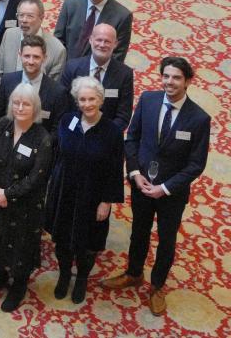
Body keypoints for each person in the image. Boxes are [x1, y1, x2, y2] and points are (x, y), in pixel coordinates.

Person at [102, 57, 211, 316]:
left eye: (176, 78)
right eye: (166, 76)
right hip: (142, 184)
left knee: (166, 240)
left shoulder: (198, 119)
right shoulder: (148, 100)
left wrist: (166, 188)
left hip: (171, 194)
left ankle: (158, 286)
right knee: (138, 231)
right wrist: (135, 173)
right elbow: (132, 139)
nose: (169, 82)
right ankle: (134, 273)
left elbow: (196, 164)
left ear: (187, 81)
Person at [44, 77, 123, 304]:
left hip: (93, 195)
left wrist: (106, 201)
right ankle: (65, 274)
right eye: (82, 100)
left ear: (100, 100)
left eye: (91, 99)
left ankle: (82, 279)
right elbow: (57, 154)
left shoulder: (112, 132)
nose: (87, 104)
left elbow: (115, 168)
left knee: (87, 244)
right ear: (76, 101)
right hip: (64, 191)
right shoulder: (67, 121)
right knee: (62, 239)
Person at [0, 84, 54, 312]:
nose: (20, 107)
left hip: (25, 205)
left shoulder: (43, 138)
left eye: (26, 104)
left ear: (35, 108)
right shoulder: (3, 125)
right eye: (16, 102)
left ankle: (19, 285)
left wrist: (7, 194)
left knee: (21, 244)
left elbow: (36, 178)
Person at [59, 24, 134, 132]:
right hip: (73, 131)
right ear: (91, 40)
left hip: (106, 136)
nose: (102, 45)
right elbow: (62, 106)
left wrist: (103, 134)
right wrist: (75, 129)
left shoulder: (124, 74)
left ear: (115, 44)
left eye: (107, 41)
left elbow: (123, 115)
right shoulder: (72, 67)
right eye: (99, 40)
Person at [54, 0, 132, 61]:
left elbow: (117, 55)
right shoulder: (70, 5)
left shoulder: (122, 16)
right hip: (66, 71)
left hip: (95, 74)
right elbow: (58, 41)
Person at [0, 35, 68, 138]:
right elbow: (0, 117)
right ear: (20, 55)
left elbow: (57, 129)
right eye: (27, 56)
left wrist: (41, 147)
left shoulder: (57, 92)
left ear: (44, 58)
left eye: (36, 57)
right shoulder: (7, 81)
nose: (31, 62)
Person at [0, 0, 66, 81]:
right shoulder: (9, 34)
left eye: (30, 16)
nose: (24, 20)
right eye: (21, 15)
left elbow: (52, 88)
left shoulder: (57, 50)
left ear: (41, 18)